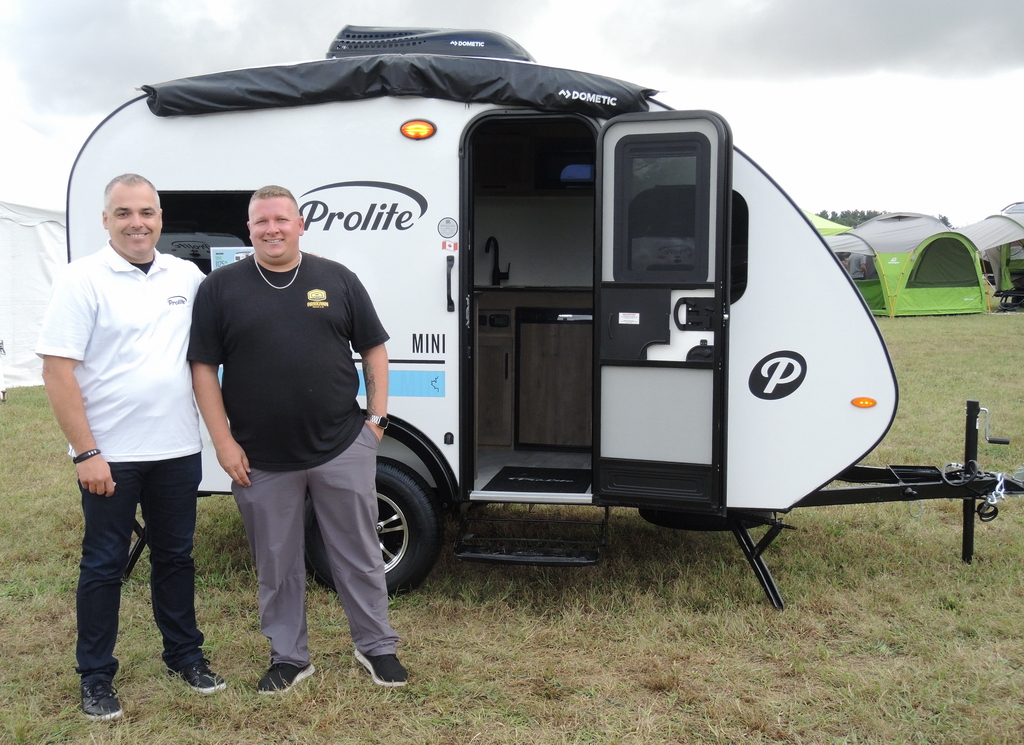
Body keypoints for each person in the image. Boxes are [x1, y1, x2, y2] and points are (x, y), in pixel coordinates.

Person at [188, 185, 406, 694]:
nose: (272, 229)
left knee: (359, 552)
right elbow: (203, 368)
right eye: (261, 221)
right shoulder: (221, 288)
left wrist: (374, 423)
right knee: (277, 565)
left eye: (281, 219)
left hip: (340, 445)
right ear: (249, 229)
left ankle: (376, 647)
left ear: (300, 224)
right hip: (259, 458)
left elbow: (374, 349)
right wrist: (222, 443)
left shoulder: (337, 279)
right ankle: (289, 657)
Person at [36, 174, 224, 722]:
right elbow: (56, 372)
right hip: (110, 455)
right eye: (124, 213)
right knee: (103, 563)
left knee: (175, 557)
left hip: (177, 449)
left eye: (146, 212)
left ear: (161, 218)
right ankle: (95, 676)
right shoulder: (82, 278)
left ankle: (185, 656)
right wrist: (85, 452)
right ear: (106, 220)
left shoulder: (186, 275)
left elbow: (208, 352)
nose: (137, 223)